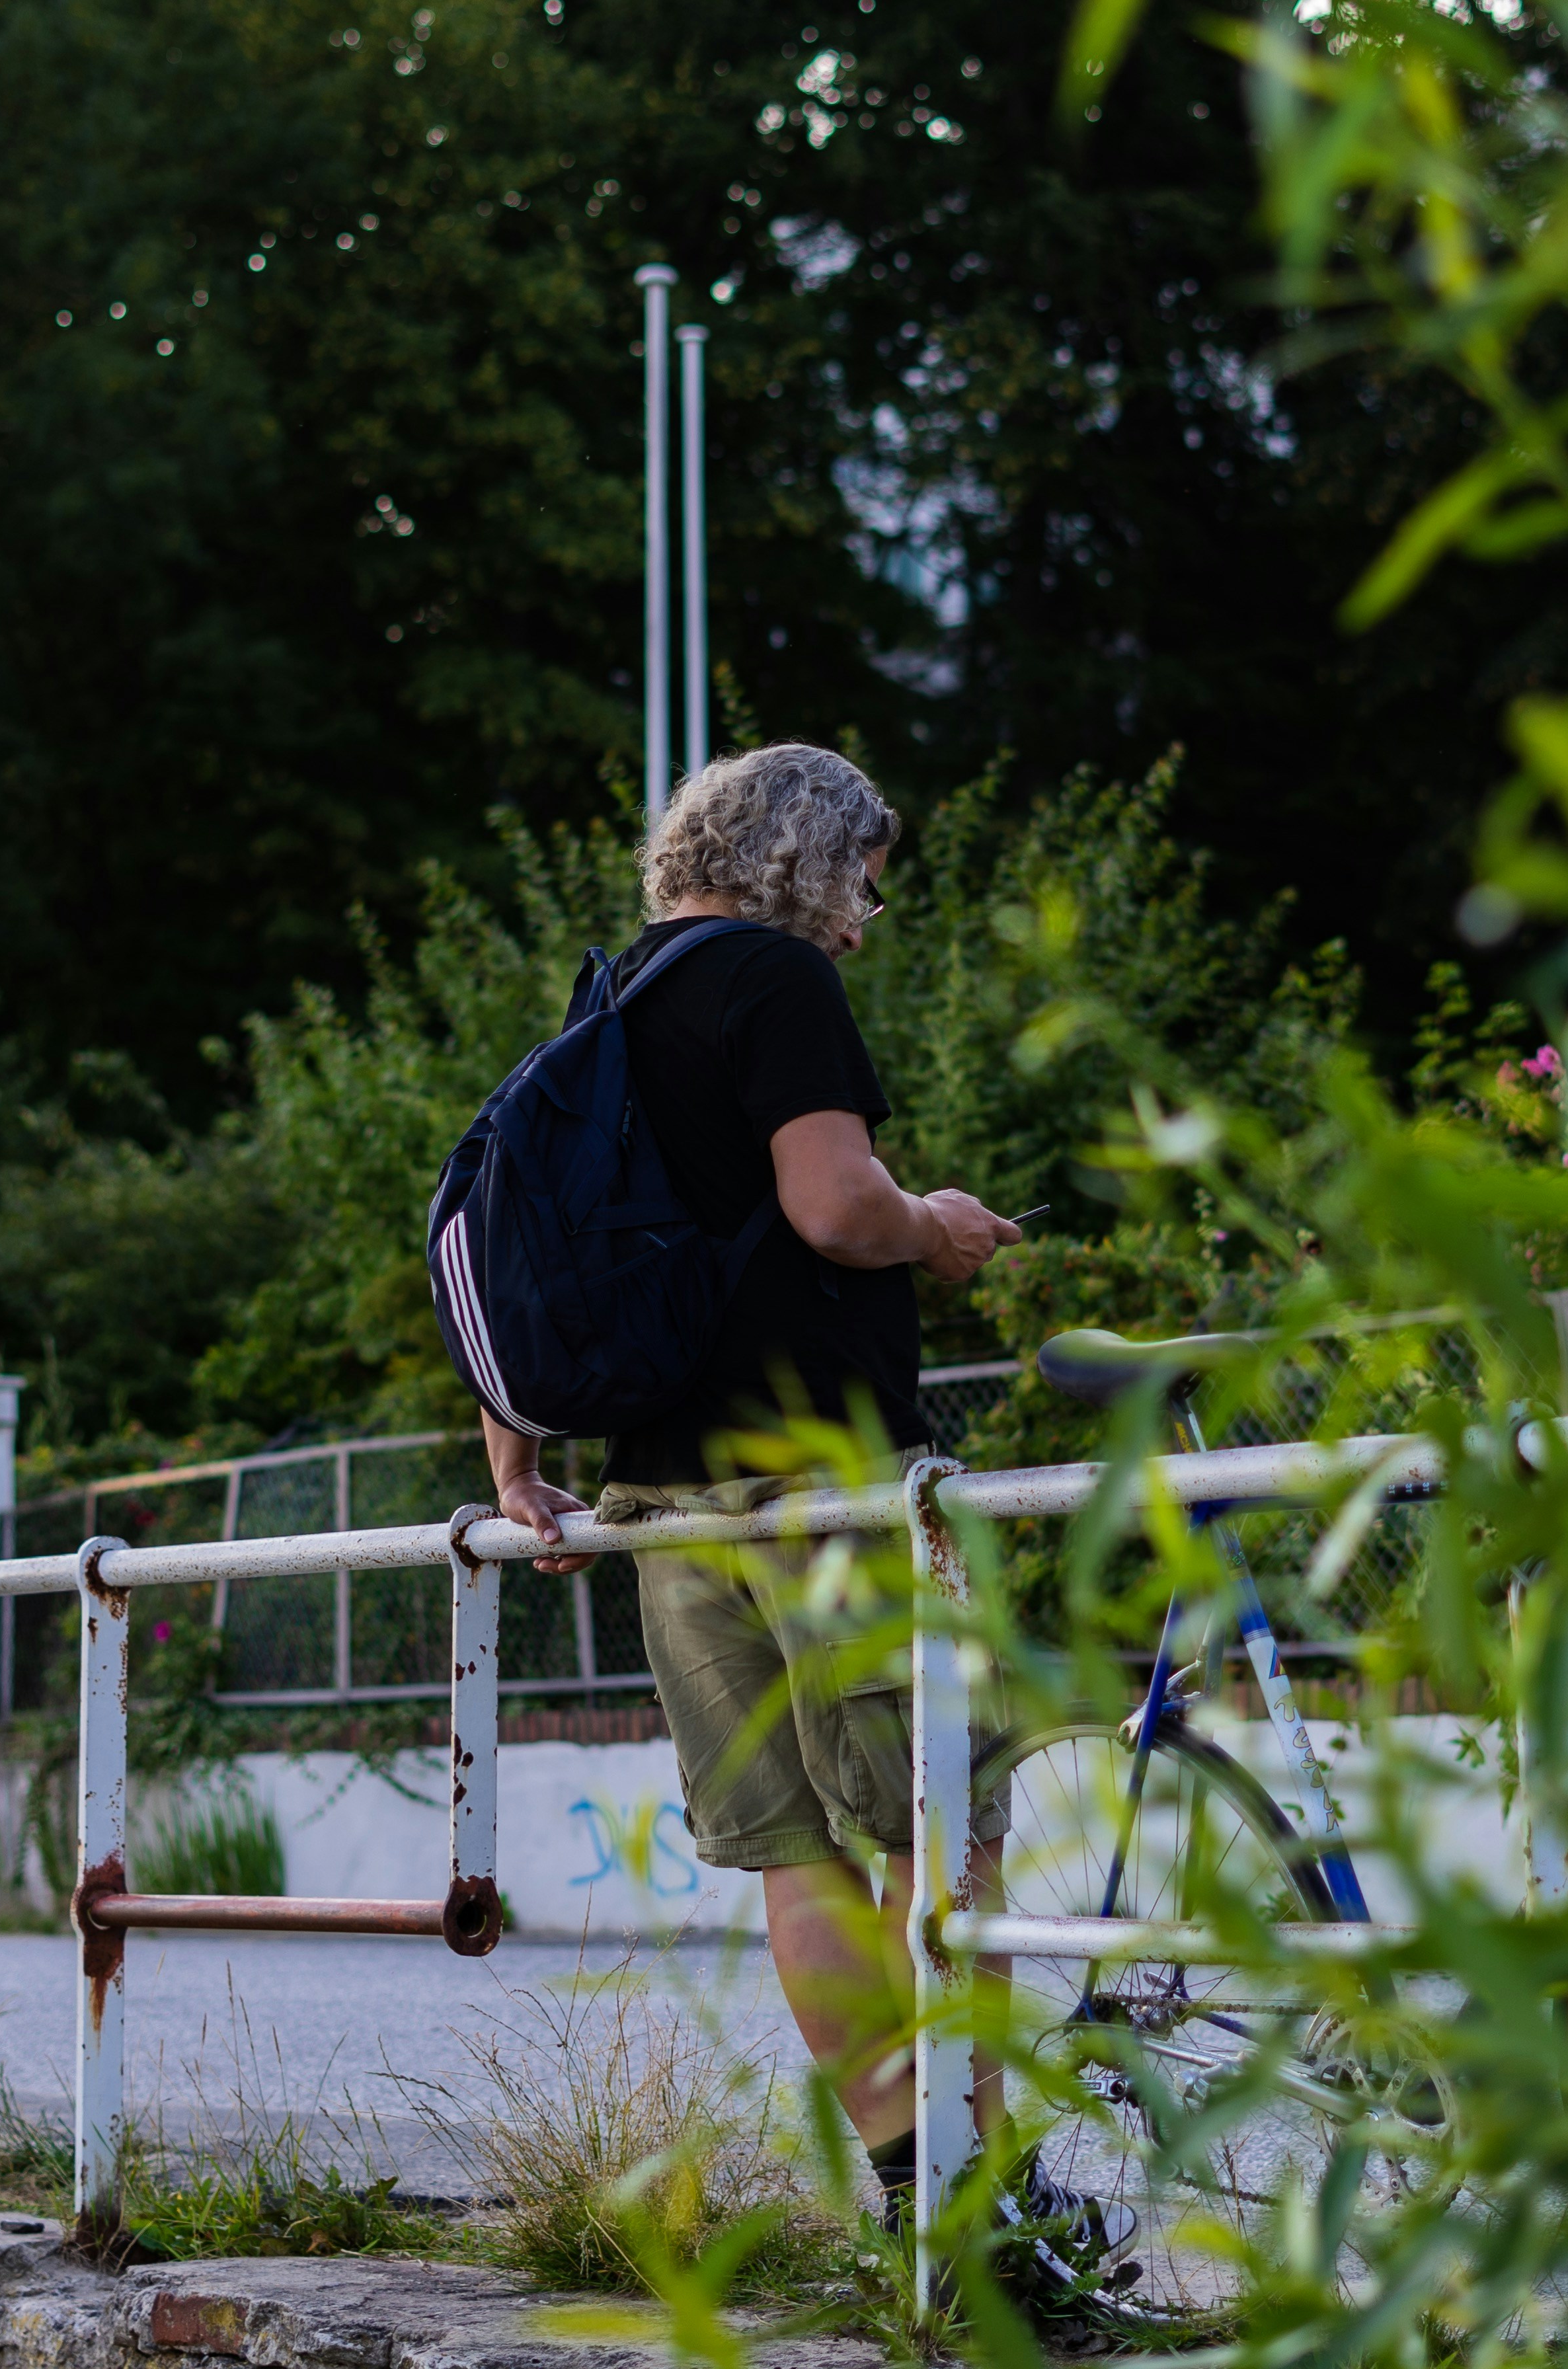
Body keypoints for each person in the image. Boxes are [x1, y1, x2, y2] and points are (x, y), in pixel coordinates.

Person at [465, 744, 1127, 2290]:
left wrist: (515, 1460)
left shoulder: (607, 1004)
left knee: (796, 1857)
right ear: (807, 860)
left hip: (663, 1501)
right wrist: (932, 1224)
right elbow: (834, 1204)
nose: (864, 920)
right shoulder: (773, 980)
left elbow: (522, 1240)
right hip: (821, 1481)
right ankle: (984, 2207)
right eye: (865, 885)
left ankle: (914, 2192)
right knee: (938, 1822)